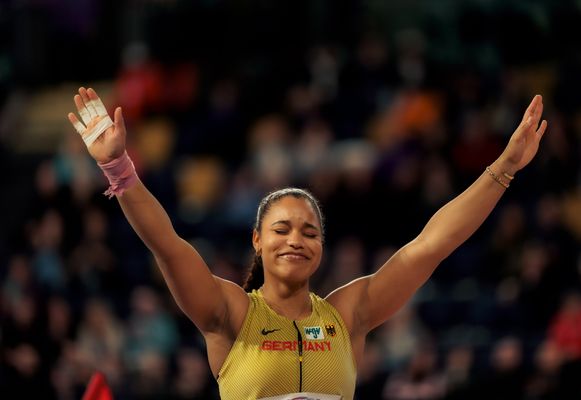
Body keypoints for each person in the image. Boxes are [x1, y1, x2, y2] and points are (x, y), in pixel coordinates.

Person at [67, 87, 547, 399]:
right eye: (281, 229)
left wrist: (502, 168)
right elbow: (167, 245)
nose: (296, 239)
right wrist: (118, 169)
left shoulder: (348, 314)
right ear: (257, 240)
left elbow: (430, 245)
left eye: (309, 231)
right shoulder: (230, 314)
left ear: (322, 247)